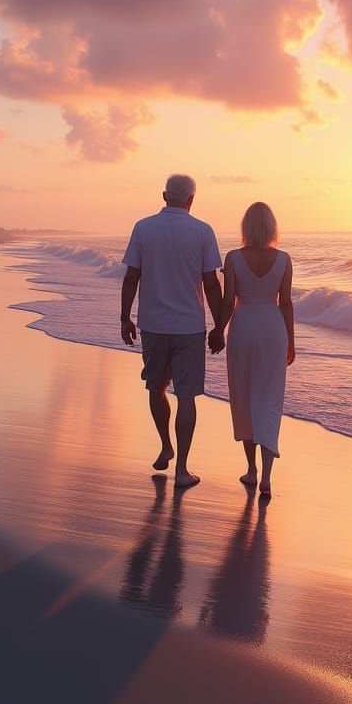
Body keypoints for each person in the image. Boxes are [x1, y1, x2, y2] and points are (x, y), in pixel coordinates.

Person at [120, 174, 224, 489]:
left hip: (152, 325)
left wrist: (125, 318)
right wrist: (220, 326)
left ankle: (166, 445)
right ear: (191, 199)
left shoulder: (143, 227)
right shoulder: (203, 231)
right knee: (187, 396)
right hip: (189, 327)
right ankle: (181, 470)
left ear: (165, 196)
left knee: (156, 388)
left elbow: (132, 276)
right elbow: (211, 283)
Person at [209, 202, 294, 497]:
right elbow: (285, 303)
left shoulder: (233, 257)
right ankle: (267, 476)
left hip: (243, 326)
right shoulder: (284, 259)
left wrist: (218, 329)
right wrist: (291, 340)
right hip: (273, 329)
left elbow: (228, 300)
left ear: (245, 226)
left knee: (243, 397)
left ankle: (251, 470)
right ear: (272, 227)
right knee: (269, 400)